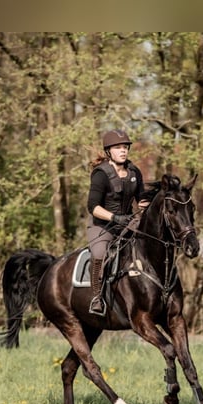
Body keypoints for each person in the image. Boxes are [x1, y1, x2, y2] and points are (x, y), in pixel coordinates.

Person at [86, 129, 151, 315]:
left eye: (125, 147)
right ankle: (96, 298)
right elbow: (93, 207)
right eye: (118, 148)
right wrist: (115, 218)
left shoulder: (133, 171)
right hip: (102, 226)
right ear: (109, 151)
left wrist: (149, 206)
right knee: (99, 253)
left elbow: (141, 200)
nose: (123, 151)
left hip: (129, 223)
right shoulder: (101, 174)